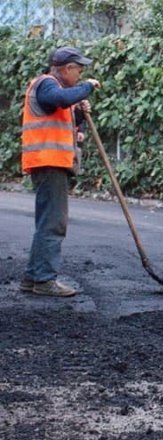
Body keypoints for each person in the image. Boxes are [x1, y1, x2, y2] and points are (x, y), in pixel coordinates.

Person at [18, 47, 101, 297]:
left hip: (51, 163)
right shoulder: (46, 85)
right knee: (53, 223)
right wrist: (87, 87)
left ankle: (33, 277)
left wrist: (78, 113)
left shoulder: (55, 92)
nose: (80, 75)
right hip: (48, 163)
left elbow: (64, 116)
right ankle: (44, 280)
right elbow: (62, 99)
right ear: (66, 69)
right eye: (79, 71)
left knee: (47, 221)